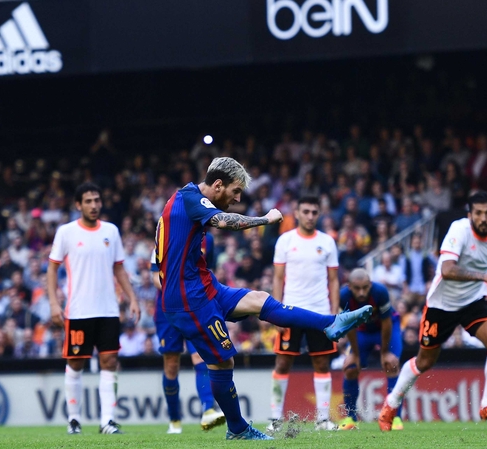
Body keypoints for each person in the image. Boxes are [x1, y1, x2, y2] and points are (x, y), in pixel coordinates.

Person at [156, 157, 372, 440]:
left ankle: (331, 323)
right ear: (218, 184)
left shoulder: (186, 196)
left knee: (259, 299)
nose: (237, 198)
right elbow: (224, 221)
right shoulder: (191, 200)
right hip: (188, 297)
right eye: (235, 191)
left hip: (202, 286)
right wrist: (265, 220)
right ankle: (238, 429)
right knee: (222, 363)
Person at [378, 191, 487, 431]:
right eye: (478, 213)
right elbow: (448, 270)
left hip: (472, 301)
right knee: (425, 361)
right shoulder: (458, 230)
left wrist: (484, 283)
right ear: (469, 215)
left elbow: (486, 258)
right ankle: (391, 403)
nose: (483, 218)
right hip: (441, 305)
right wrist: (486, 277)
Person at [47, 182, 141, 435]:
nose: (94, 205)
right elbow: (52, 268)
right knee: (76, 363)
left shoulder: (111, 230)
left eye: (97, 200)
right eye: (88, 201)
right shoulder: (66, 232)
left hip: (108, 309)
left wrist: (132, 297)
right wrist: (54, 303)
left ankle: (107, 421)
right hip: (78, 311)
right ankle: (74, 419)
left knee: (109, 361)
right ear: (78, 205)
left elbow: (119, 268)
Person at [268, 196, 341, 432]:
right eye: (306, 211)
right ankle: (275, 420)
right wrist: (275, 313)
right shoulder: (285, 241)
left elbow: (333, 281)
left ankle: (323, 420)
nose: (310, 216)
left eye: (314, 212)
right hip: (290, 311)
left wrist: (334, 315)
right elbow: (278, 278)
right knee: (283, 362)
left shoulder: (328, 242)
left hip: (319, 312)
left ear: (319, 214)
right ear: (296, 213)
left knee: (321, 362)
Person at [151, 234, 226, 434]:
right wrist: (177, 289)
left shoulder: (207, 239)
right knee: (172, 364)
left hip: (195, 305)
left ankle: (208, 409)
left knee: (199, 355)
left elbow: (209, 269)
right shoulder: (166, 237)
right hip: (168, 309)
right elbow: (154, 276)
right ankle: (174, 420)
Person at [339, 269, 401, 431]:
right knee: (350, 367)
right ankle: (351, 418)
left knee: (392, 364)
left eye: (365, 288)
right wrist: (355, 355)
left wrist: (385, 352)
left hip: (386, 329)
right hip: (362, 331)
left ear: (371, 285)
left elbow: (386, 322)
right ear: (349, 287)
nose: (361, 292)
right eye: (357, 288)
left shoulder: (380, 292)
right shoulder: (343, 296)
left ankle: (394, 418)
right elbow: (350, 325)